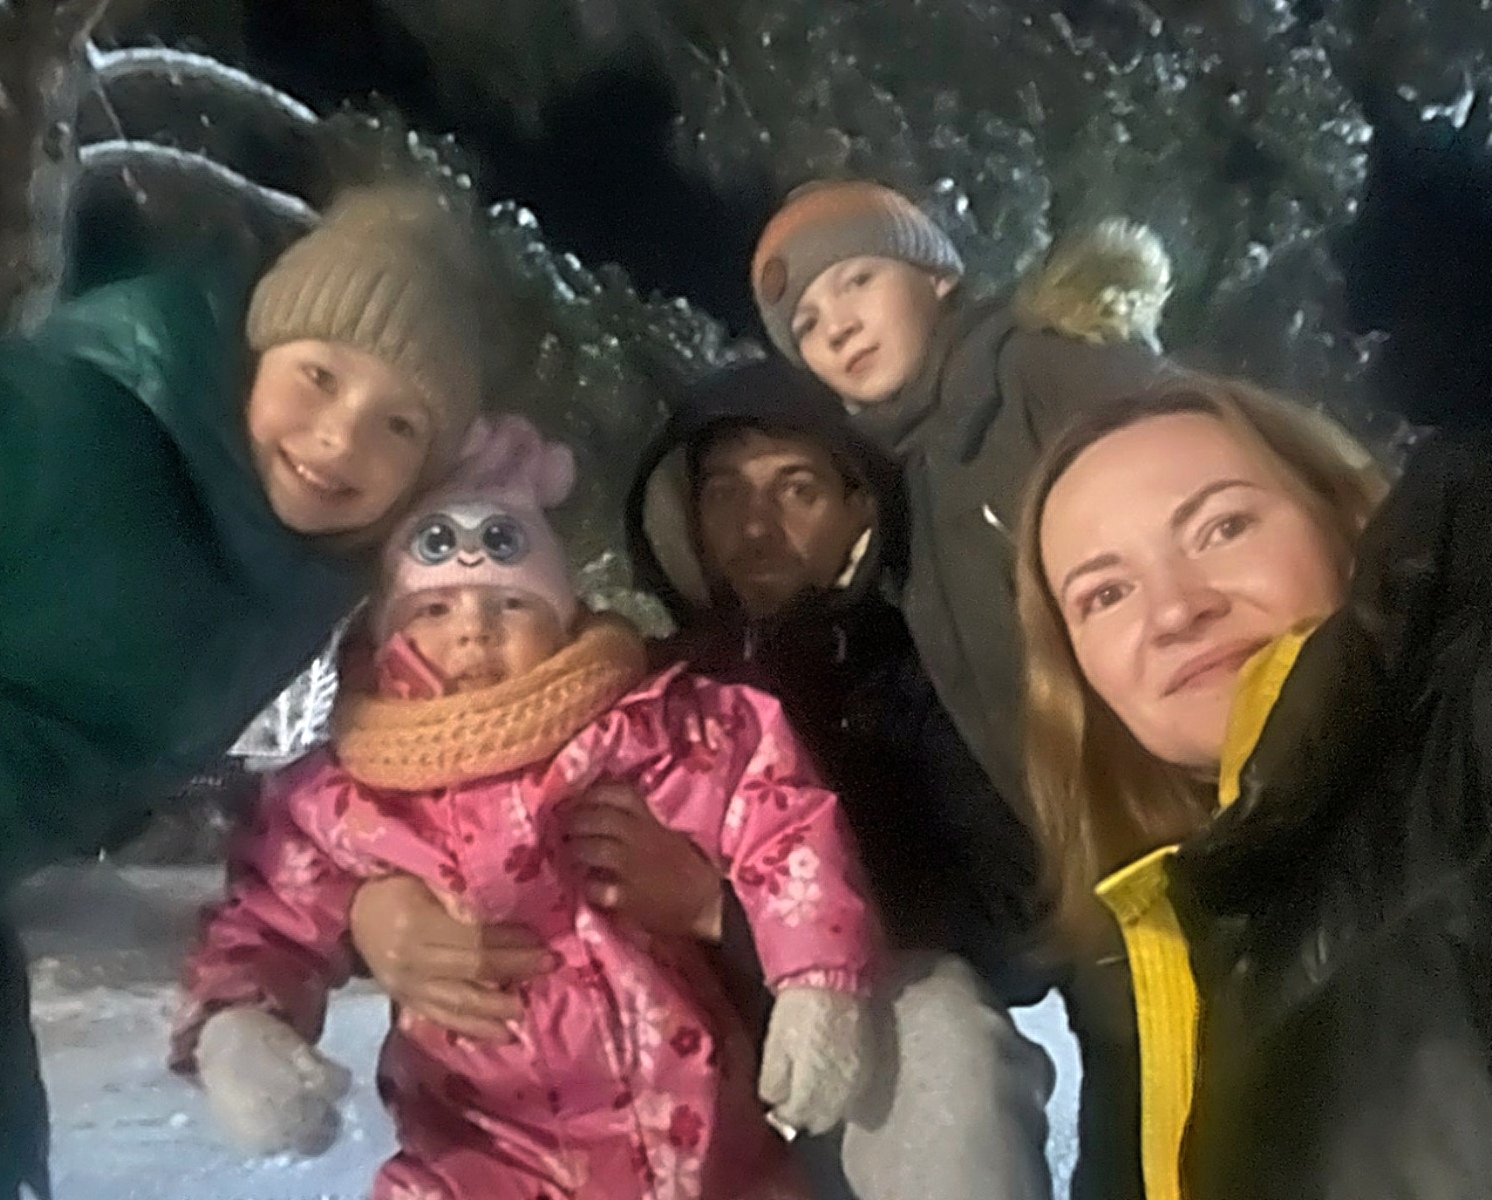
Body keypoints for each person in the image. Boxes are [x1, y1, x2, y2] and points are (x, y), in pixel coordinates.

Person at [171, 415, 883, 1200]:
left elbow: (782, 822)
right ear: (389, 632)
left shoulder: (642, 727)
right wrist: (241, 1028)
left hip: (697, 1141)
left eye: (510, 605)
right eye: (434, 611)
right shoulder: (353, 788)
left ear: (562, 616)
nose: (474, 633)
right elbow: (270, 913)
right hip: (478, 1148)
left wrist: (816, 977)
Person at [0, 181, 490, 1199]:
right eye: (318, 375)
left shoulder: (292, 551)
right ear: (251, 354)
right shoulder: (70, 424)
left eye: (399, 425)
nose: (340, 439)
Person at [750, 178, 1177, 1197]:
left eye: (858, 279)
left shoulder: (1036, 368)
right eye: (806, 322)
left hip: (1187, 822)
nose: (836, 324)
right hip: (1097, 879)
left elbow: (1191, 480)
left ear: (936, 275)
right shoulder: (905, 482)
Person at [1013, 372, 1492, 1200]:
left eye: (1223, 527)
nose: (1175, 611)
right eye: (1107, 593)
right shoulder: (1161, 955)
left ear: (1350, 519)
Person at [628, 357, 1055, 1200]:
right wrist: (385, 913)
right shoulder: (641, 692)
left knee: (939, 1023)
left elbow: (1010, 928)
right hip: (665, 1081)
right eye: (723, 493)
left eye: (796, 490)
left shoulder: (928, 675)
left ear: (860, 505)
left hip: (871, 1082)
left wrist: (731, 915)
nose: (756, 526)